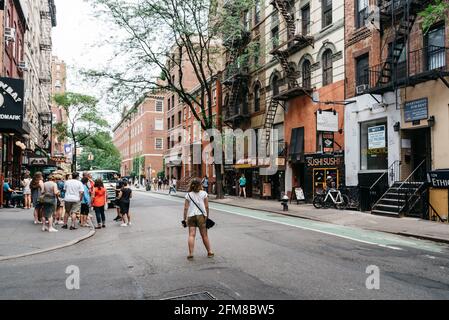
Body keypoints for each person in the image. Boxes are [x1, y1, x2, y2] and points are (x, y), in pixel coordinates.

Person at [183, 178, 214, 260]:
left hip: (191, 216)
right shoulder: (204, 193)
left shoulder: (188, 195)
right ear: (200, 185)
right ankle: (209, 251)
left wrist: (184, 219)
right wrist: (206, 216)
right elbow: (207, 206)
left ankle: (191, 253)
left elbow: (185, 208)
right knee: (204, 235)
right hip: (201, 216)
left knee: (191, 235)